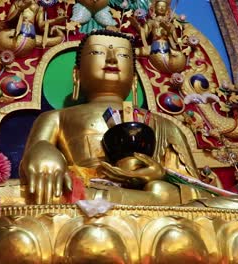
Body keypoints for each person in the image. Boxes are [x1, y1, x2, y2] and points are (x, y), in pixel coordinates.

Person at [20, 30, 206, 205]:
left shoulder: (164, 125)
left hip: (150, 201)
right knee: (17, 196)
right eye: (97, 53)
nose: (111, 60)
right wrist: (43, 152)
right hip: (81, 194)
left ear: (134, 80)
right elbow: (31, 162)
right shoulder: (56, 117)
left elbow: (196, 190)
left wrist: (158, 174)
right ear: (77, 75)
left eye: (123, 55)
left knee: (217, 204)